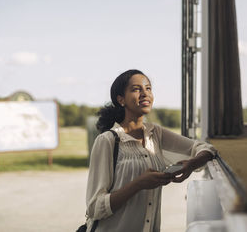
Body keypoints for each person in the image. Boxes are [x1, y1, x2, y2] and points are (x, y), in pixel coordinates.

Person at [85, 69, 217, 232]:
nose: (144, 93)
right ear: (121, 100)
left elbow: (205, 148)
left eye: (148, 88)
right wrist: (139, 183)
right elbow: (94, 207)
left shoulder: (156, 134)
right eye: (136, 89)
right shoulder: (107, 141)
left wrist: (191, 164)